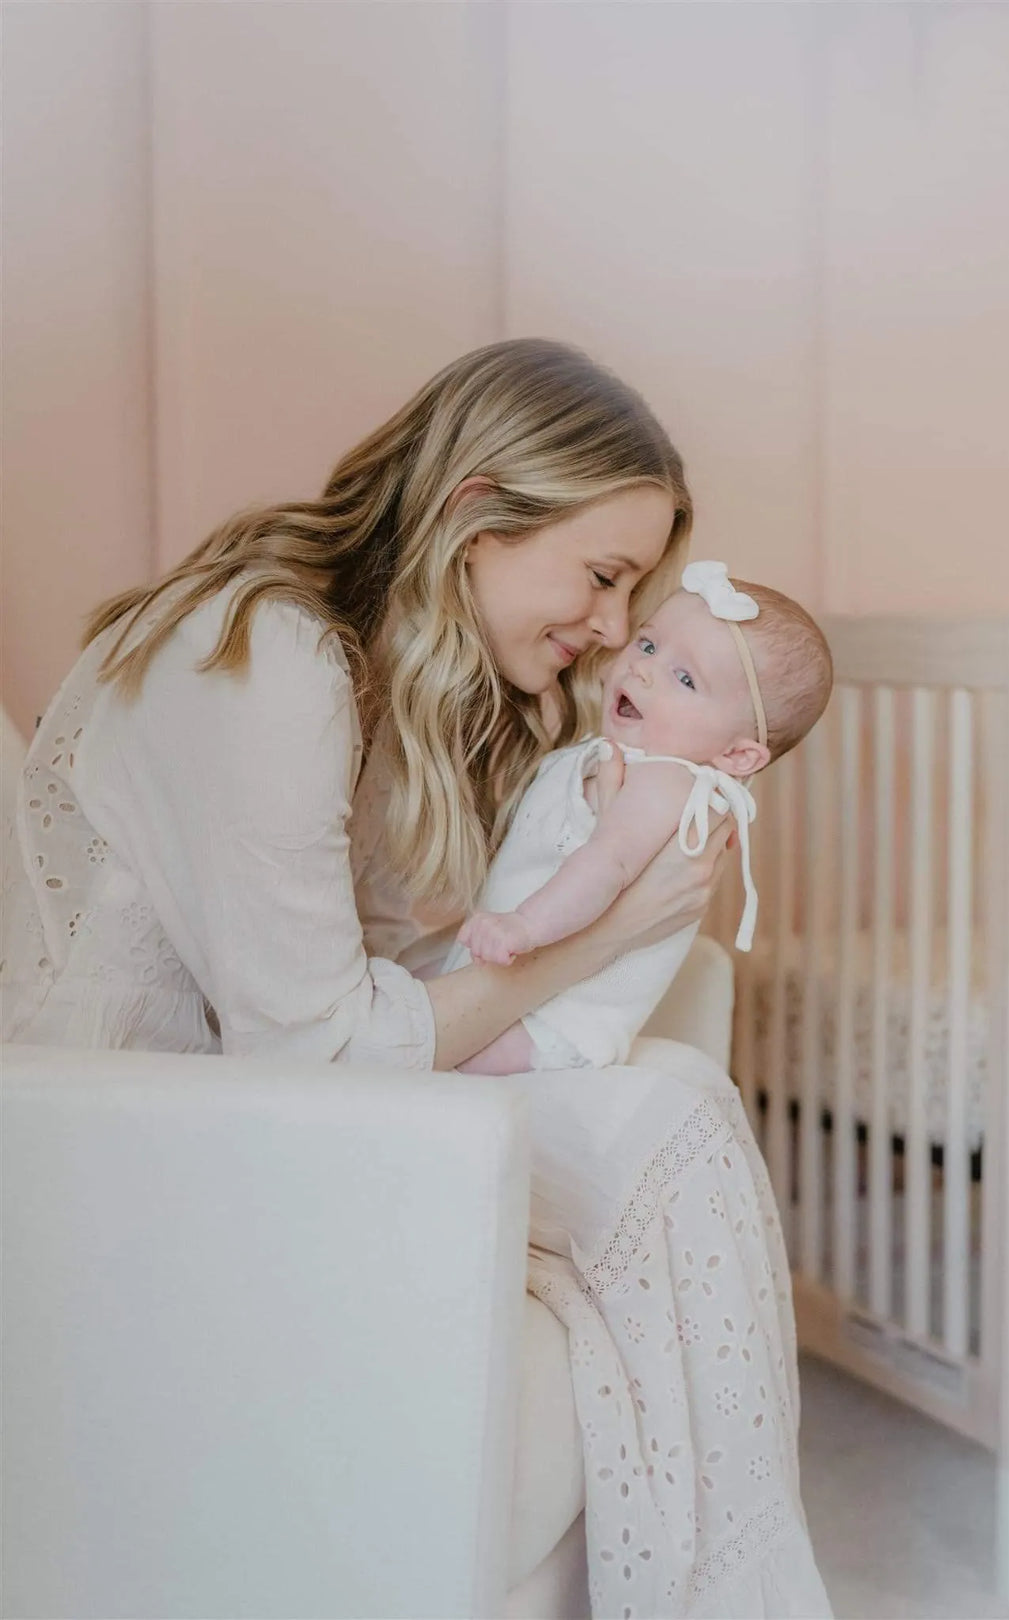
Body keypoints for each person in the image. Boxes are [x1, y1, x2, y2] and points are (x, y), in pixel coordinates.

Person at [1, 339, 830, 1617]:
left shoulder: (431, 684)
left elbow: (398, 975)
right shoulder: (265, 651)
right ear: (478, 510)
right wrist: (602, 940)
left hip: (254, 1105)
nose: (616, 630)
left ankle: (724, 1582)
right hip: (127, 1139)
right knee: (657, 1115)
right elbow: (318, 1054)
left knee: (667, 1101)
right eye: (605, 578)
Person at [447, 560, 833, 1077]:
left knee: (437, 1075)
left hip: (554, 1022)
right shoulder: (617, 757)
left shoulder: (670, 783)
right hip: (513, 990)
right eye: (649, 645)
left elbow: (607, 865)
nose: (642, 668)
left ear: (738, 757)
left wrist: (522, 926)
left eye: (685, 678)